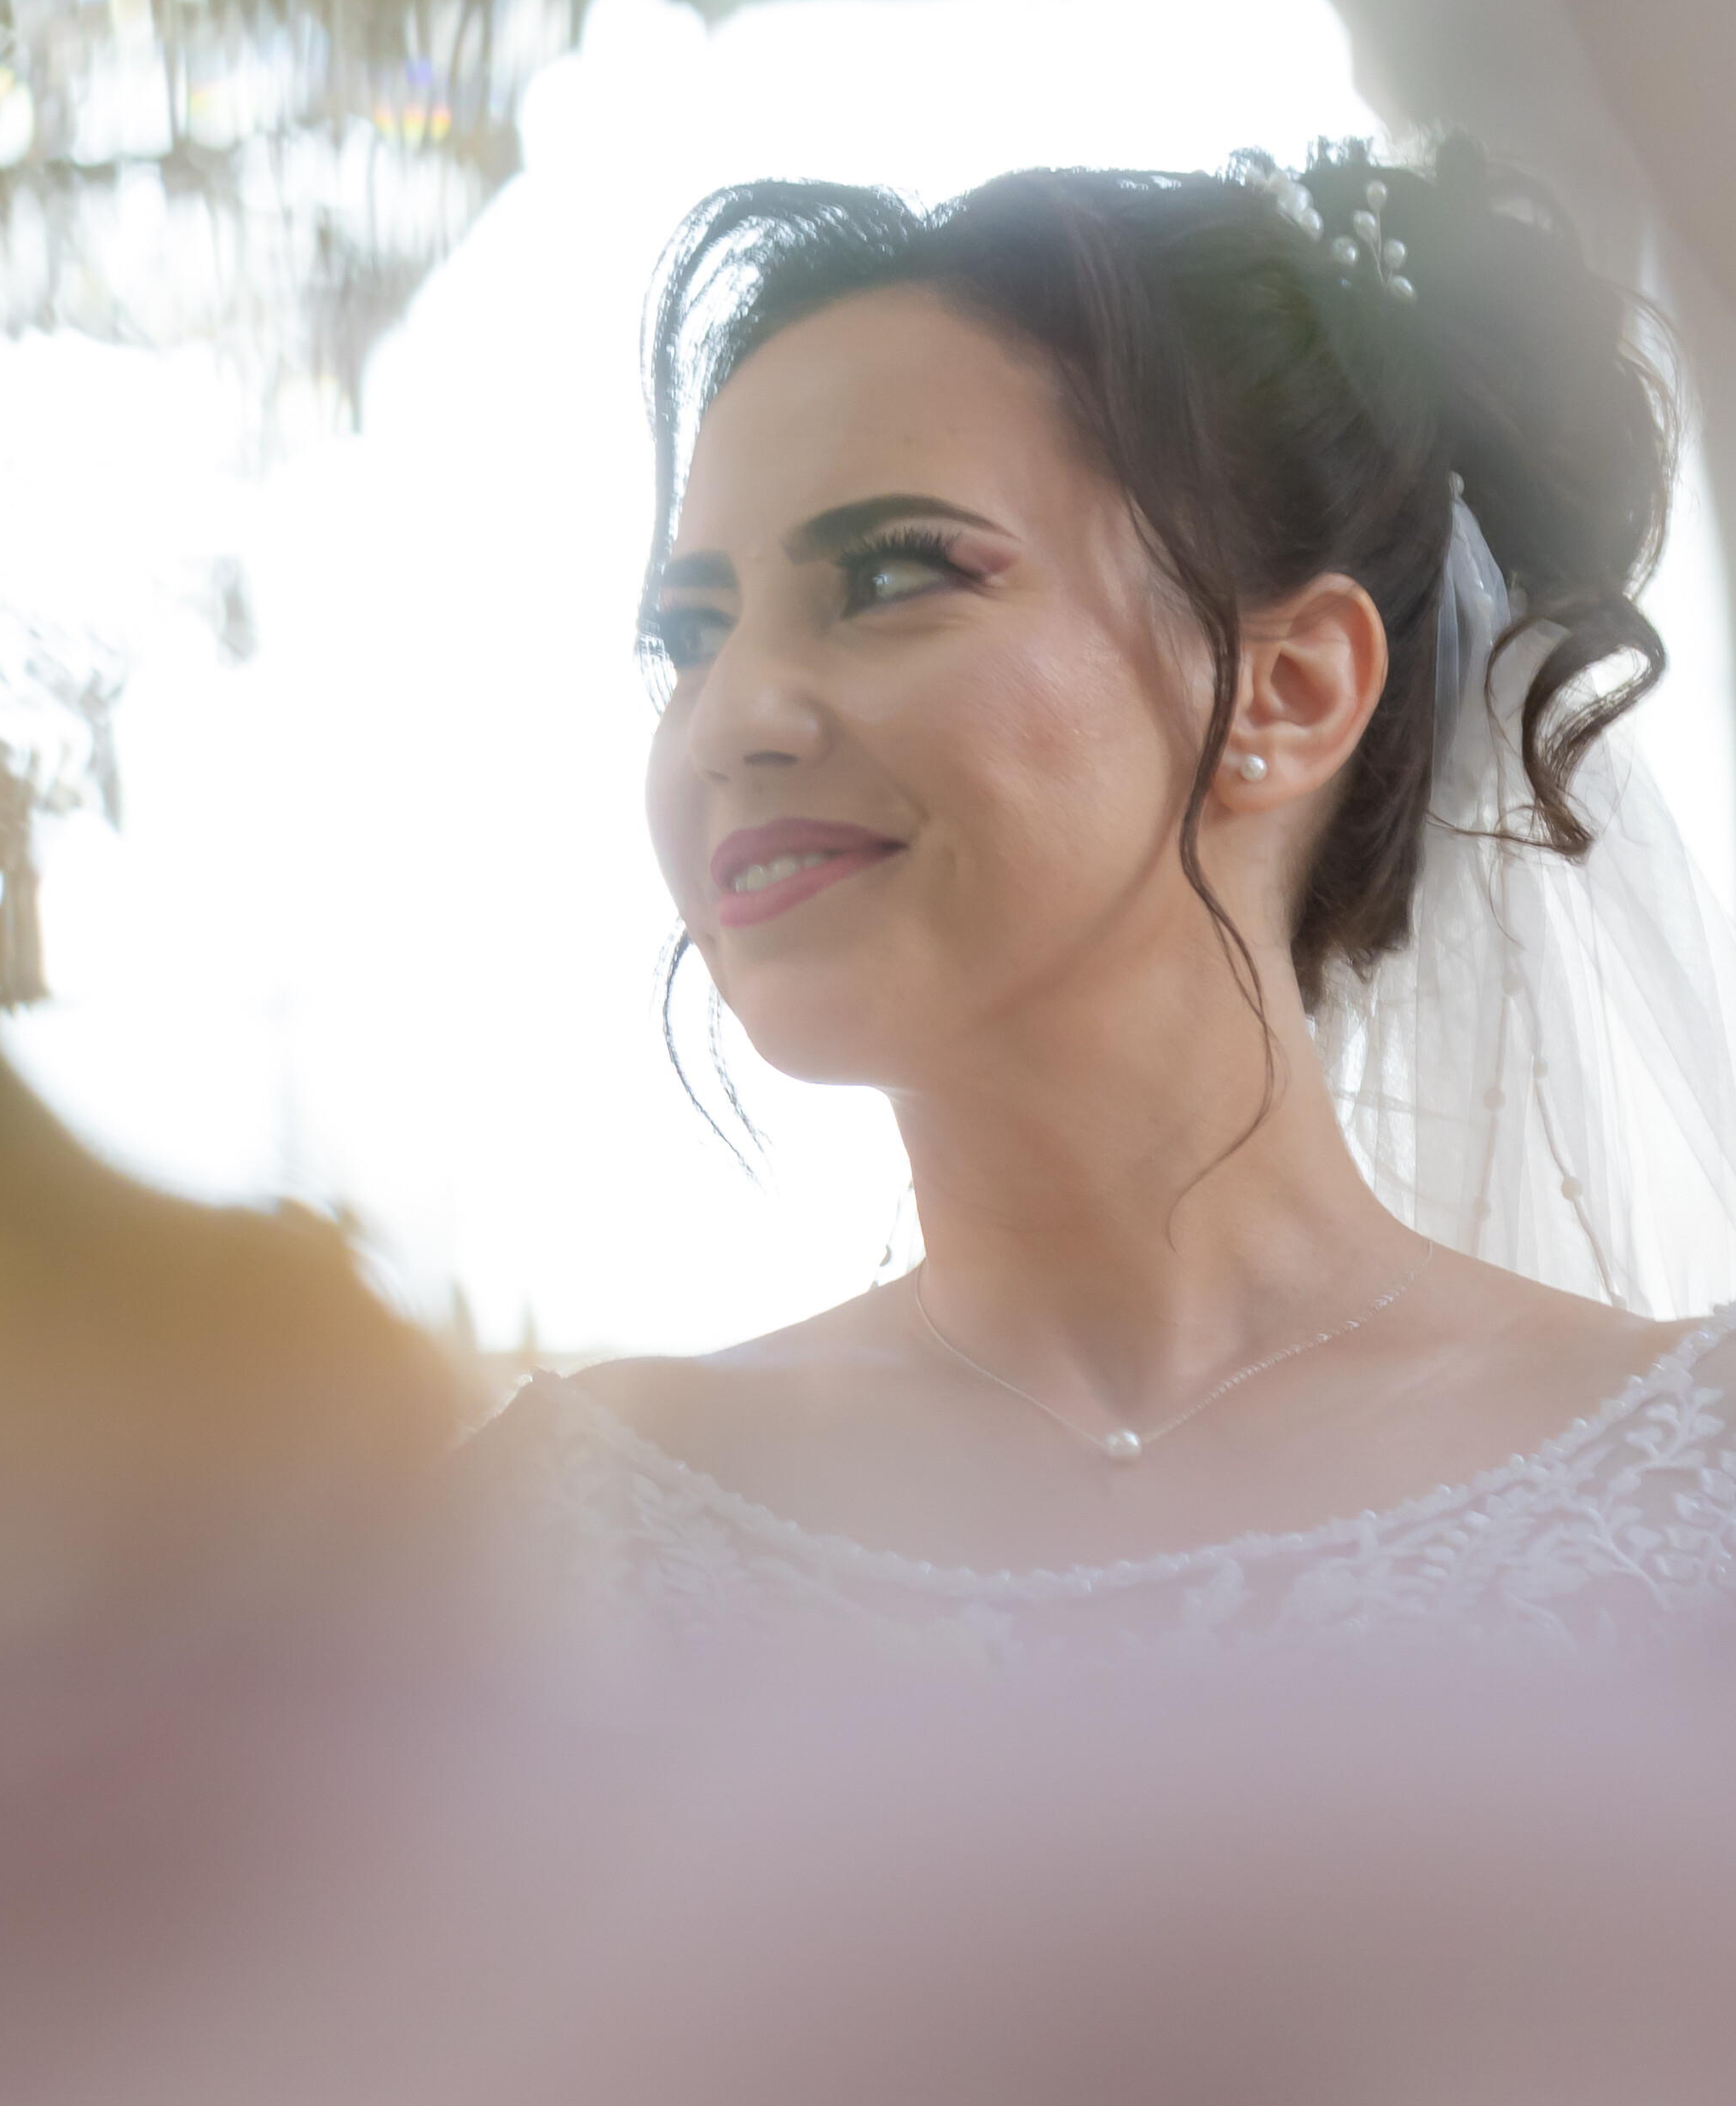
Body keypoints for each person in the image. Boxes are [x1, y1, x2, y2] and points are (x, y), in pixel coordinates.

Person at [481, 142, 1736, 1659]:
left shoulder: (1696, 1494)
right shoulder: (545, 1541)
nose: (730, 718)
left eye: (889, 578)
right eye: (689, 637)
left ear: (1287, 688)